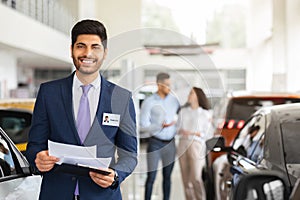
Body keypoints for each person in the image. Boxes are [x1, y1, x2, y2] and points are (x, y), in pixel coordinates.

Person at [25, 19, 138, 200]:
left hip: (102, 195)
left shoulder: (122, 98)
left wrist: (115, 175)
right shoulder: (49, 93)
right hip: (56, 193)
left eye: (95, 47)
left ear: (105, 52)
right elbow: (34, 146)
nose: (87, 53)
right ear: (71, 50)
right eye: (81, 46)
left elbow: (130, 155)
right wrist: (38, 157)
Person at [140, 72, 180, 200]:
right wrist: (159, 126)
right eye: (167, 85)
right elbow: (143, 123)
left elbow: (180, 117)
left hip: (170, 143)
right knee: (151, 177)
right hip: (155, 143)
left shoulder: (174, 101)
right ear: (159, 84)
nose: (169, 87)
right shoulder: (149, 102)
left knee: (167, 177)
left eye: (170, 85)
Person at [177, 87, 211, 200]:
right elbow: (178, 129)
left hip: (196, 145)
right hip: (182, 144)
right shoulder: (183, 111)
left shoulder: (205, 114)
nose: (189, 95)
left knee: (195, 177)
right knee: (186, 179)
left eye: (191, 93)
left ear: (197, 96)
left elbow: (207, 133)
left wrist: (193, 133)